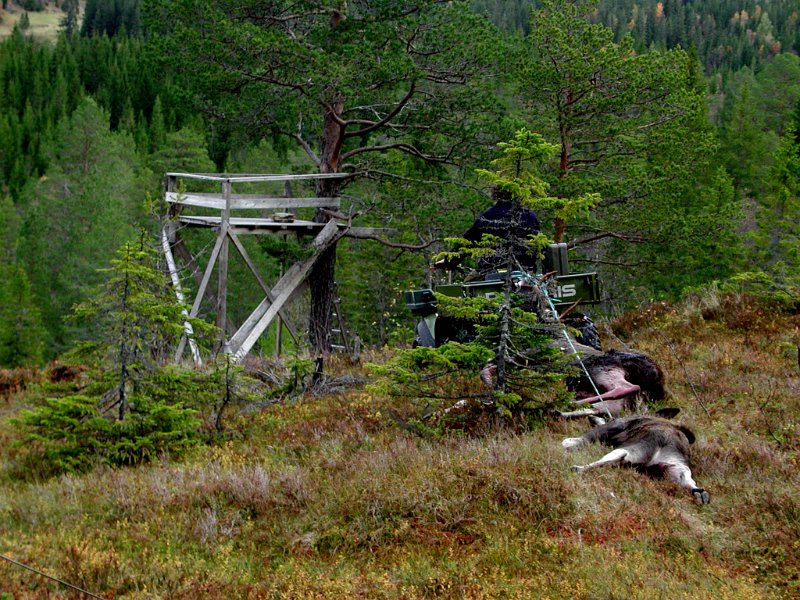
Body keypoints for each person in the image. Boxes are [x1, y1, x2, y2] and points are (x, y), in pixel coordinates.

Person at [438, 187, 540, 275]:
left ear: (495, 194)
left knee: (466, 289)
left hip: (490, 271)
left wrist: (448, 261)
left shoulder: (487, 217)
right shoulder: (531, 216)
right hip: (526, 274)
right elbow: (539, 246)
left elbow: (467, 243)